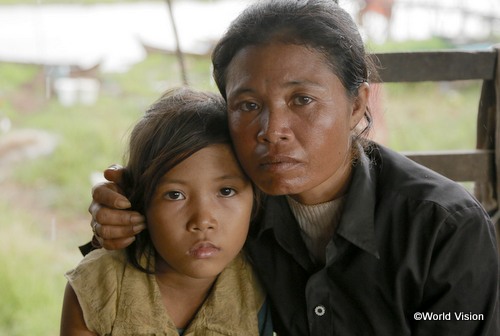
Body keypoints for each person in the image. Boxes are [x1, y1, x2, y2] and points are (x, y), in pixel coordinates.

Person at [87, 0, 500, 335]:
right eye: (248, 106)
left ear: (357, 105)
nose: (272, 131)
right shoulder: (228, 201)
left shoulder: (443, 229)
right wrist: (124, 214)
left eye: (302, 99)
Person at [61, 87, 273, 335]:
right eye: (175, 195)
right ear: (139, 201)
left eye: (226, 191)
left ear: (256, 197)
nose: (203, 220)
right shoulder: (99, 285)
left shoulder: (263, 278)